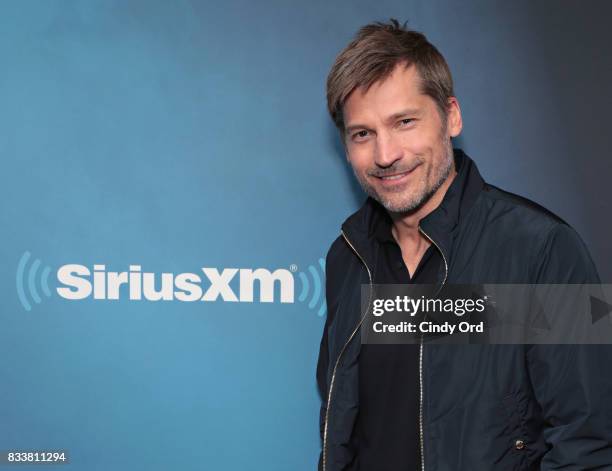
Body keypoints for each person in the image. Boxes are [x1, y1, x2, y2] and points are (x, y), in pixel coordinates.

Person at [316, 19, 612, 471]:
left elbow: (588, 446)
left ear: (451, 116)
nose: (385, 154)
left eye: (405, 122)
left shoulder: (542, 248)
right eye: (363, 134)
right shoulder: (349, 256)